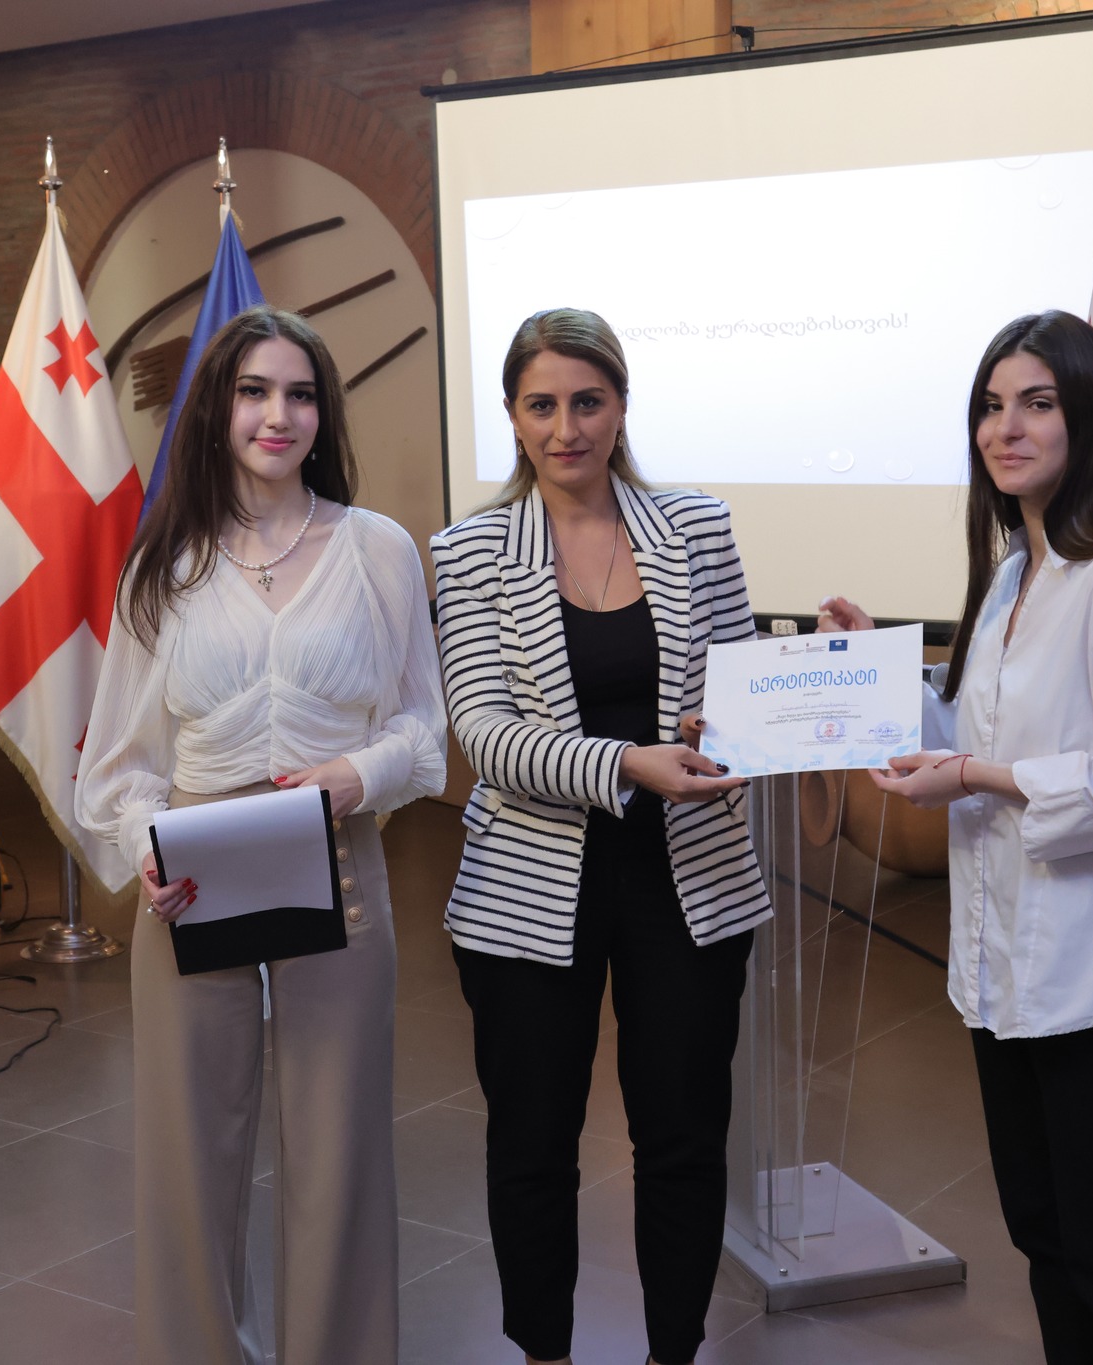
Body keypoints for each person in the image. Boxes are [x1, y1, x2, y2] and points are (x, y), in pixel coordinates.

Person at [819, 310, 1093, 1365]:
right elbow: (968, 736)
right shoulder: (1013, 574)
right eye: (990, 407)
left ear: (1085, 416)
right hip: (1009, 980)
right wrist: (874, 669)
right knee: (1045, 1236)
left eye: (1035, 404)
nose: (1005, 428)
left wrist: (977, 777)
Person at [76, 304, 446, 1365]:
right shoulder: (165, 563)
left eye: (298, 394)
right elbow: (119, 760)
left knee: (339, 1147)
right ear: (217, 409)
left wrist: (356, 776)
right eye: (253, 391)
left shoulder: (377, 550)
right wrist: (146, 847)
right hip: (194, 874)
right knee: (188, 1154)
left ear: (322, 415)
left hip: (339, 858)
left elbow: (423, 729)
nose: (276, 415)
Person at [431, 307, 772, 1365]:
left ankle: (675, 1350)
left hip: (690, 877)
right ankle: (545, 1351)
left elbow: (740, 698)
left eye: (587, 401)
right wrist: (630, 764)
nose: (565, 427)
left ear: (621, 406)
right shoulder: (470, 551)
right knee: (532, 1146)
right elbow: (487, 737)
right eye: (541, 405)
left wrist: (787, 694)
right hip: (529, 887)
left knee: (683, 1139)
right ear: (511, 415)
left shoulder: (696, 527)